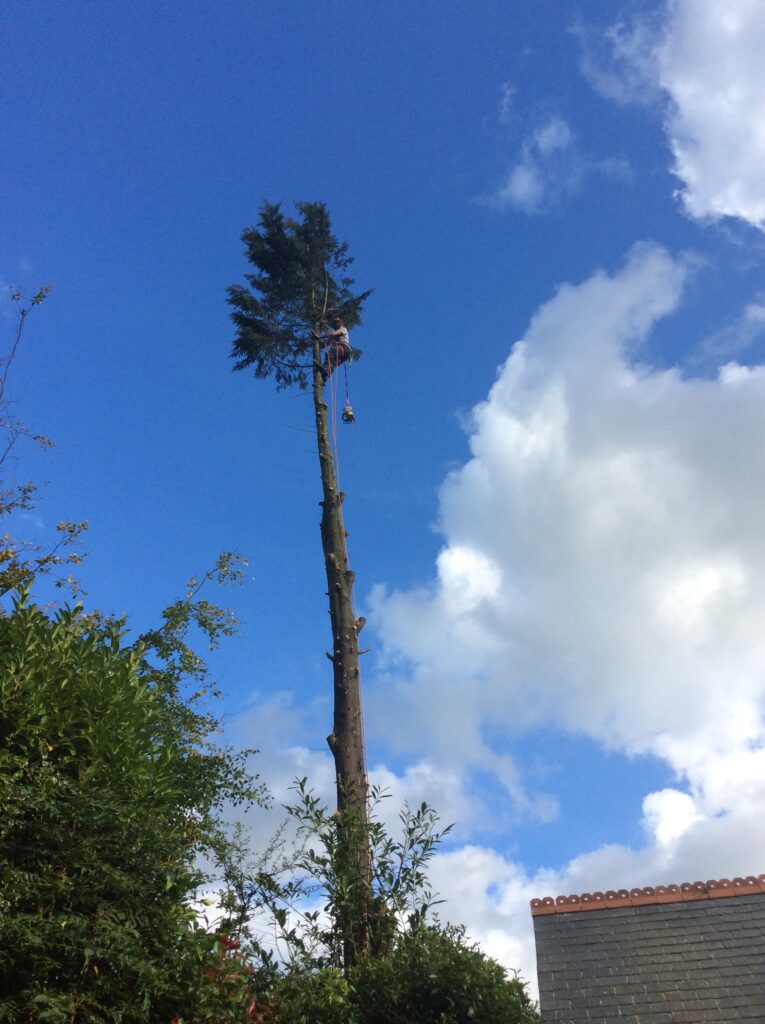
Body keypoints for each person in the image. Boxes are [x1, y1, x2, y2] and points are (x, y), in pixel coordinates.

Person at [315, 316, 351, 381]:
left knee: (329, 354)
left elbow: (333, 334)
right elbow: (326, 344)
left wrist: (319, 337)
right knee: (332, 364)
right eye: (334, 323)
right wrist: (318, 343)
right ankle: (325, 376)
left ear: (340, 323)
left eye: (337, 323)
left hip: (344, 348)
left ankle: (325, 368)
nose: (335, 324)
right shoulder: (335, 335)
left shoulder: (342, 329)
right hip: (345, 355)